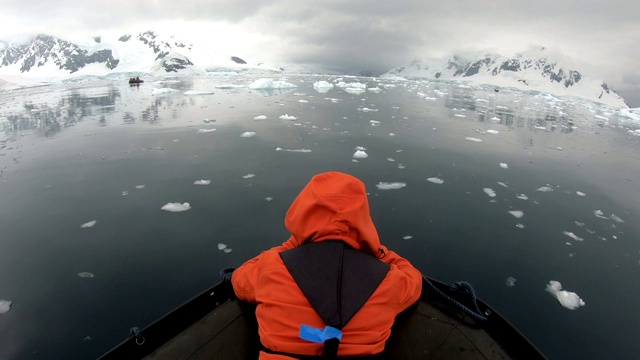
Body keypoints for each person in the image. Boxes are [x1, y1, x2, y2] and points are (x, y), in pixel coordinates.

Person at [230, 171, 422, 359]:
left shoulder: (272, 266)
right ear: (363, 218)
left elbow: (239, 280)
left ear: (303, 211)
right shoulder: (390, 280)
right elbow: (414, 279)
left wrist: (293, 245)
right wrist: (376, 250)